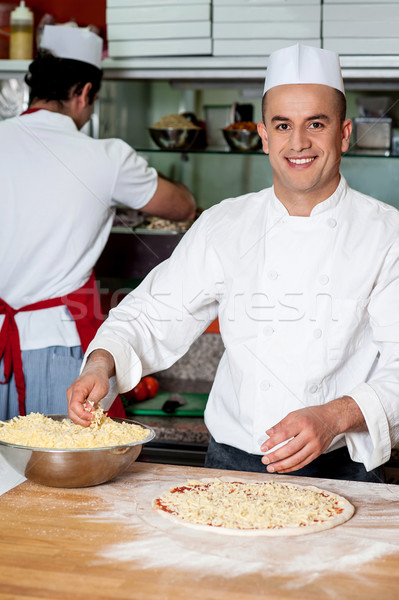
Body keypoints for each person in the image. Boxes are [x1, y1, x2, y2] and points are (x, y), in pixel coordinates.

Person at [67, 43, 399, 483]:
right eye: (283, 125)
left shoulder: (386, 233)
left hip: (344, 469)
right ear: (264, 136)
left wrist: (337, 416)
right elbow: (155, 311)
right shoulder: (225, 222)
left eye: (315, 124)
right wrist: (102, 362)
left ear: (344, 133)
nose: (298, 142)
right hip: (232, 464)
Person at [0, 25, 195, 421]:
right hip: (58, 350)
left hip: (6, 342)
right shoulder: (107, 157)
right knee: (62, 476)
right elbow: (182, 206)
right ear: (85, 93)